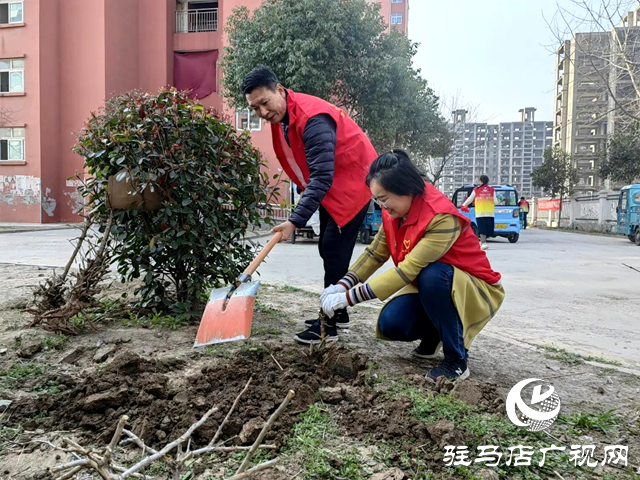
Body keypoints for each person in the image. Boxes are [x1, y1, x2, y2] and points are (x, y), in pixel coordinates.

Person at [319, 150, 505, 382]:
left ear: (406, 189)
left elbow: (407, 270)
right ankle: (437, 333)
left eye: (384, 199)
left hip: (472, 288)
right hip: (433, 286)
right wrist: (342, 284)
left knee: (433, 275)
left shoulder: (440, 216)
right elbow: (375, 254)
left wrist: (348, 298)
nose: (381, 206)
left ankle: (456, 360)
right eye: (377, 200)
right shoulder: (394, 211)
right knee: (392, 324)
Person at [241, 66, 377, 344]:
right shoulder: (287, 116)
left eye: (264, 103)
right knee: (327, 249)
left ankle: (328, 326)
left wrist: (294, 221)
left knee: (334, 251)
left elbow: (322, 175)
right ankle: (339, 312)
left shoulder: (313, 118)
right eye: (255, 109)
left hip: (353, 184)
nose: (263, 113)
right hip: (333, 187)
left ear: (279, 90)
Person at [461, 175, 495, 250]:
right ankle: (483, 242)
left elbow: (470, 199)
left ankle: (483, 242)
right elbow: (496, 201)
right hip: (490, 212)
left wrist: (463, 205)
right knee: (488, 227)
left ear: (481, 181)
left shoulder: (476, 190)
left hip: (480, 212)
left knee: (482, 227)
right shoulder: (492, 190)